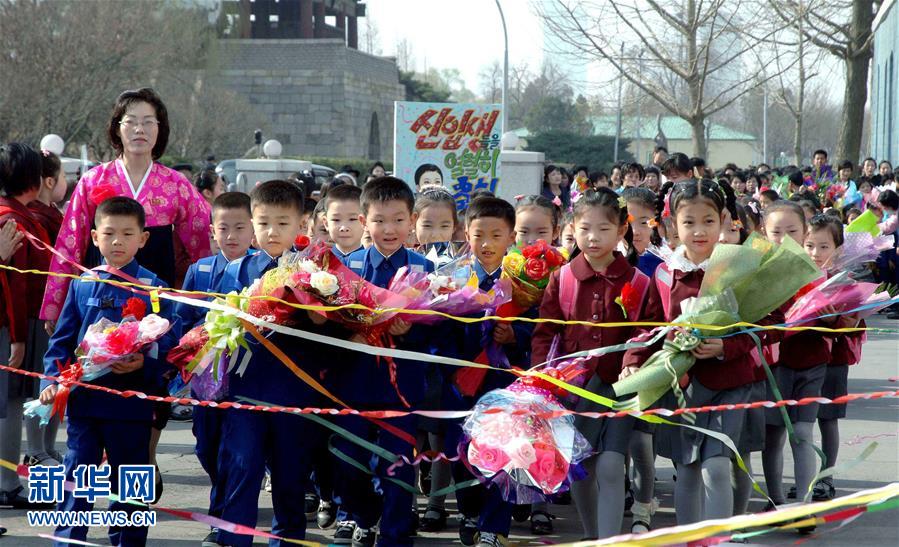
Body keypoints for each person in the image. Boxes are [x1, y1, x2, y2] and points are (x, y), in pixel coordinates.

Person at [627, 180, 781, 526]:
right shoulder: (665, 274)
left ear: (725, 218)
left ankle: (717, 538)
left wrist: (729, 346)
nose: (699, 231)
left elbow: (770, 321)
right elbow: (647, 327)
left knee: (716, 465)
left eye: (708, 221)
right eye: (689, 222)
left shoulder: (741, 266)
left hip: (732, 381)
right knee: (688, 468)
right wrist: (633, 362)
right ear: (671, 226)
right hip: (682, 385)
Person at [39, 196, 177, 545]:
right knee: (77, 479)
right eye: (109, 233)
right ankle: (68, 541)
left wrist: (145, 361)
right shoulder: (83, 282)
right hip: (85, 403)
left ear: (143, 239)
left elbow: (170, 343)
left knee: (130, 485)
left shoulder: (153, 287)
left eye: (127, 234)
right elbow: (62, 340)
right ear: (94, 236)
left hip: (132, 405)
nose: (118, 241)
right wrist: (50, 380)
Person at [213, 180, 338, 547]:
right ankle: (233, 539)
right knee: (242, 468)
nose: (272, 232)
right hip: (245, 393)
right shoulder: (235, 271)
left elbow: (336, 330)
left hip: (295, 395)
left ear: (301, 225)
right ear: (252, 223)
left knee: (290, 478)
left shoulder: (318, 274)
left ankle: (287, 540)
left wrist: (320, 316)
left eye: (282, 224)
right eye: (264, 222)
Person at [533, 188, 656, 540]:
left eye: (604, 229)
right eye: (585, 228)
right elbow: (544, 331)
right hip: (573, 387)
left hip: (620, 387)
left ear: (621, 232)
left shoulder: (638, 281)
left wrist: (634, 361)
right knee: (582, 465)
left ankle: (608, 538)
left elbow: (646, 330)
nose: (593, 237)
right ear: (572, 228)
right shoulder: (562, 278)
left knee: (612, 463)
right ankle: (591, 534)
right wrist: (541, 375)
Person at [41, 88, 211, 331]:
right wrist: (56, 304)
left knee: (152, 361)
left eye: (148, 122)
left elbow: (201, 244)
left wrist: (206, 301)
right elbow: (71, 243)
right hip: (100, 297)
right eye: (130, 122)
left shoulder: (176, 184)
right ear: (117, 128)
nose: (139, 129)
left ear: (159, 129)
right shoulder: (93, 180)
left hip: (156, 297)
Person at [333, 176, 435, 547]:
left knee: (397, 465)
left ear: (412, 221)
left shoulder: (427, 270)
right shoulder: (346, 269)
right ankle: (363, 515)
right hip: (353, 385)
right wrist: (350, 333)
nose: (388, 229)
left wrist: (412, 329)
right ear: (364, 221)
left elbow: (439, 329)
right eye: (379, 220)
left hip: (402, 388)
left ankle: (393, 535)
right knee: (348, 460)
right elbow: (328, 322)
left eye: (397, 220)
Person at [437, 196, 522, 547]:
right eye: (478, 235)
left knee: (504, 454)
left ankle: (494, 527)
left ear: (512, 237)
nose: (487, 244)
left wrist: (516, 335)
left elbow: (541, 328)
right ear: (464, 234)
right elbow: (437, 329)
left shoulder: (524, 279)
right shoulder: (452, 278)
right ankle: (470, 511)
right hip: (461, 383)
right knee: (462, 454)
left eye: (496, 235)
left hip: (504, 382)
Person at [761, 200, 831, 531]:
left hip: (811, 364)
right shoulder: (758, 272)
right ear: (764, 233)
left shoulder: (819, 272)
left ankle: (802, 505)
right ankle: (776, 500)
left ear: (804, 233)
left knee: (803, 433)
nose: (784, 237)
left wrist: (846, 316)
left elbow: (837, 322)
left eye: (792, 231)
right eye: (777, 232)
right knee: (772, 434)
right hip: (774, 366)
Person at [0, 143, 54, 509]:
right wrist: (19, 336)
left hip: (22, 322)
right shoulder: (13, 221)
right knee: (13, 403)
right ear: (34, 180)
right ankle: (7, 481)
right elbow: (15, 284)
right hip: (18, 323)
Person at [18, 150, 69, 469]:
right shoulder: (37, 219)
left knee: (55, 381)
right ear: (49, 181)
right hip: (39, 313)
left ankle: (47, 447)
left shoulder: (53, 215)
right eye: (64, 175)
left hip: (56, 313)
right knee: (40, 384)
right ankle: (36, 449)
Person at [805, 216, 861, 501]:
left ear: (838, 249)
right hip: (801, 357)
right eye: (809, 245)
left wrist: (850, 320)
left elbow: (856, 324)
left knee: (827, 420)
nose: (815, 253)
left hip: (833, 360)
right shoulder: (796, 279)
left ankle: (826, 478)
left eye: (823, 246)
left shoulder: (846, 283)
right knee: (799, 423)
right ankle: (804, 480)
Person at [621, 187, 663, 277]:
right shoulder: (608, 259)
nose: (635, 231)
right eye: (627, 223)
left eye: (644, 222)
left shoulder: (667, 261)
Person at [324, 184, 365, 260]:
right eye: (336, 220)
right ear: (326, 223)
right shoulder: (318, 261)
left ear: (364, 222)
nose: (344, 228)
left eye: (352, 219)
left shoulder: (372, 263)